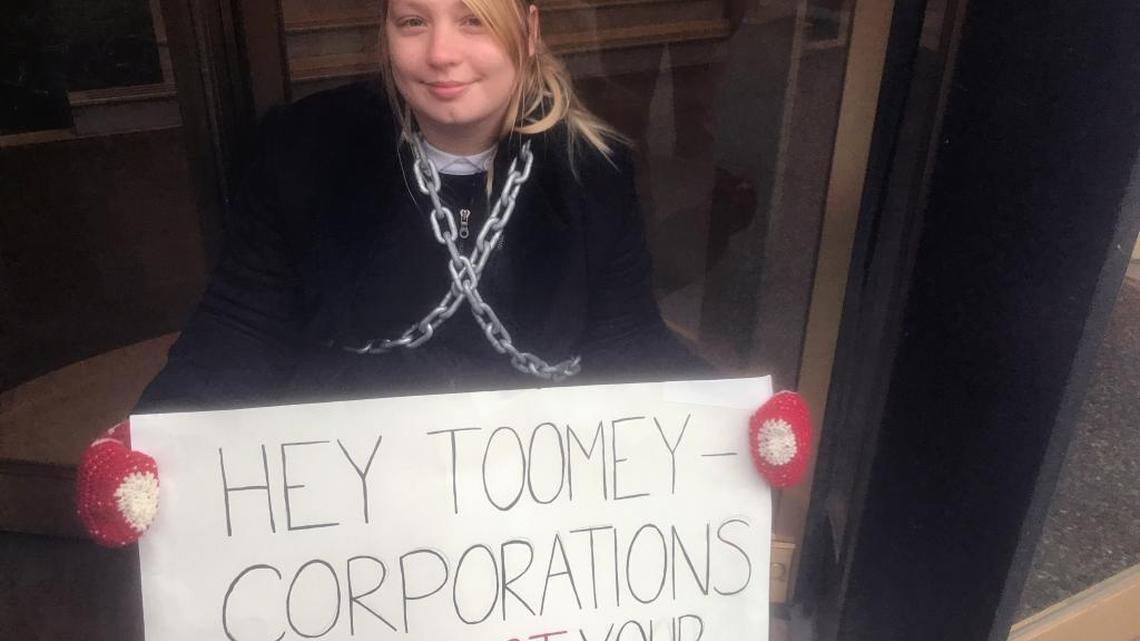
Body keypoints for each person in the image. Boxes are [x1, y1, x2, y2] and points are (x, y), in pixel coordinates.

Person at [135, 0, 707, 415]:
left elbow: (626, 339)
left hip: (526, 499)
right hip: (354, 492)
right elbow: (243, 325)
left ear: (529, 32)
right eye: (413, 22)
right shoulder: (305, 148)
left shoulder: (592, 172)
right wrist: (159, 435)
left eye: (473, 20)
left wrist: (728, 422)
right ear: (385, 33)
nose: (440, 54)